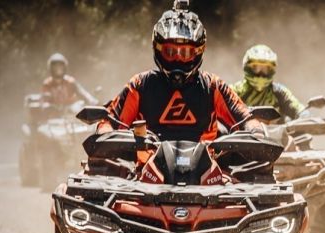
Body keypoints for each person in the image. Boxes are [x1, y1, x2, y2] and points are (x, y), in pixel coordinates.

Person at [97, 1, 261, 143]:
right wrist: (105, 134)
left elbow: (245, 118)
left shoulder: (212, 86)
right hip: (145, 172)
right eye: (170, 52)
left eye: (185, 54)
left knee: (250, 168)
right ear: (158, 50)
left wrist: (256, 131)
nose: (177, 60)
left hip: (208, 172)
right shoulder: (140, 84)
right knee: (106, 167)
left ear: (198, 52)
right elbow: (110, 122)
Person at [232, 44, 308, 120]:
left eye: (265, 69)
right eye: (256, 68)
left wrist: (304, 116)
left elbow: (298, 108)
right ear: (247, 67)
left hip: (277, 131)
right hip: (240, 130)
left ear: (272, 70)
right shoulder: (234, 91)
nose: (261, 74)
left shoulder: (279, 92)